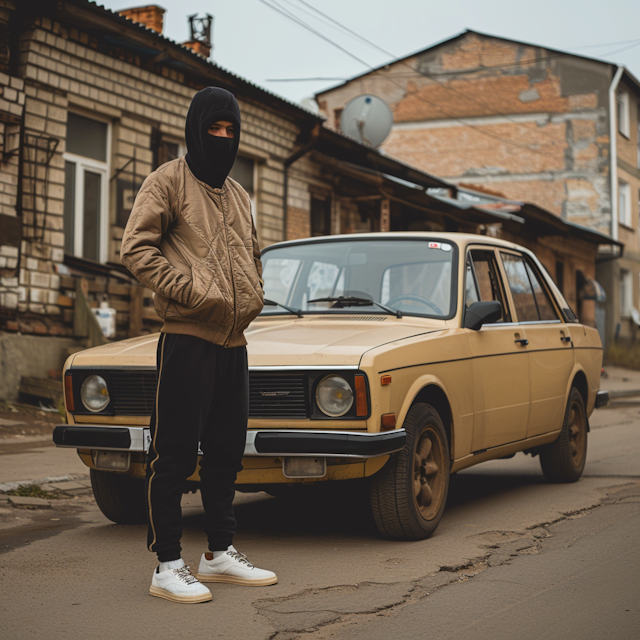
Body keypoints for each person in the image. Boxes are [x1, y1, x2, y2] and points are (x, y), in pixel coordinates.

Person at [121, 87, 276, 604]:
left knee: (227, 452)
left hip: (234, 341)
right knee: (174, 454)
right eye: (215, 129)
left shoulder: (239, 195)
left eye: (232, 131)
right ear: (196, 129)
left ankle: (219, 553)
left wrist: (253, 294)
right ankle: (167, 563)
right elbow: (136, 249)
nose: (224, 139)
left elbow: (252, 256)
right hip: (187, 339)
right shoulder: (167, 181)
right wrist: (191, 292)